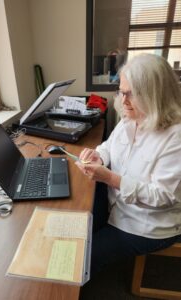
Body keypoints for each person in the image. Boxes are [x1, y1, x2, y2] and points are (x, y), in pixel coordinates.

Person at [76, 53, 181, 276]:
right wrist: (99, 157)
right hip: (117, 204)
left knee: (82, 257)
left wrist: (111, 178)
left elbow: (164, 197)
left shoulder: (175, 137)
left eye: (131, 94)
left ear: (155, 95)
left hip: (146, 224)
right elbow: (109, 145)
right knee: (76, 229)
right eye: (122, 92)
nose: (123, 101)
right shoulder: (130, 116)